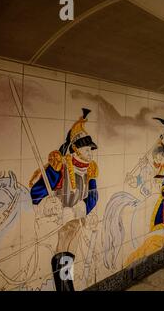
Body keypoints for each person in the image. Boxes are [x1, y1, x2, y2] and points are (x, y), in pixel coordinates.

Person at [29, 108, 98, 291]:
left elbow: (94, 195)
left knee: (71, 250)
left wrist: (83, 207)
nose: (91, 153)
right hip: (56, 222)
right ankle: (63, 288)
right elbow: (36, 191)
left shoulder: (90, 169)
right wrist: (47, 204)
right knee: (62, 249)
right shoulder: (60, 167)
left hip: (77, 219)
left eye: (91, 149)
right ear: (75, 148)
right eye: (87, 149)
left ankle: (68, 285)